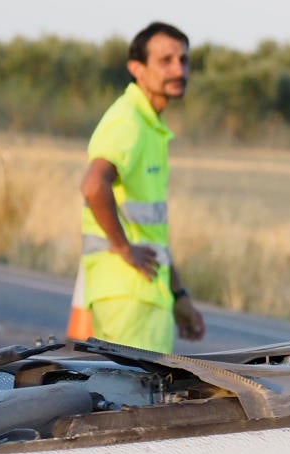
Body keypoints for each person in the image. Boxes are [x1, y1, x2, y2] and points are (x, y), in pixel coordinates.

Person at [79, 21, 207, 352]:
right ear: (137, 68)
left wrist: (179, 295)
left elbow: (151, 233)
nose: (178, 69)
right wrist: (123, 248)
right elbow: (94, 185)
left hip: (147, 293)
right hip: (128, 296)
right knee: (139, 402)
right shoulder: (129, 120)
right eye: (166, 60)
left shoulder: (150, 125)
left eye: (184, 60)